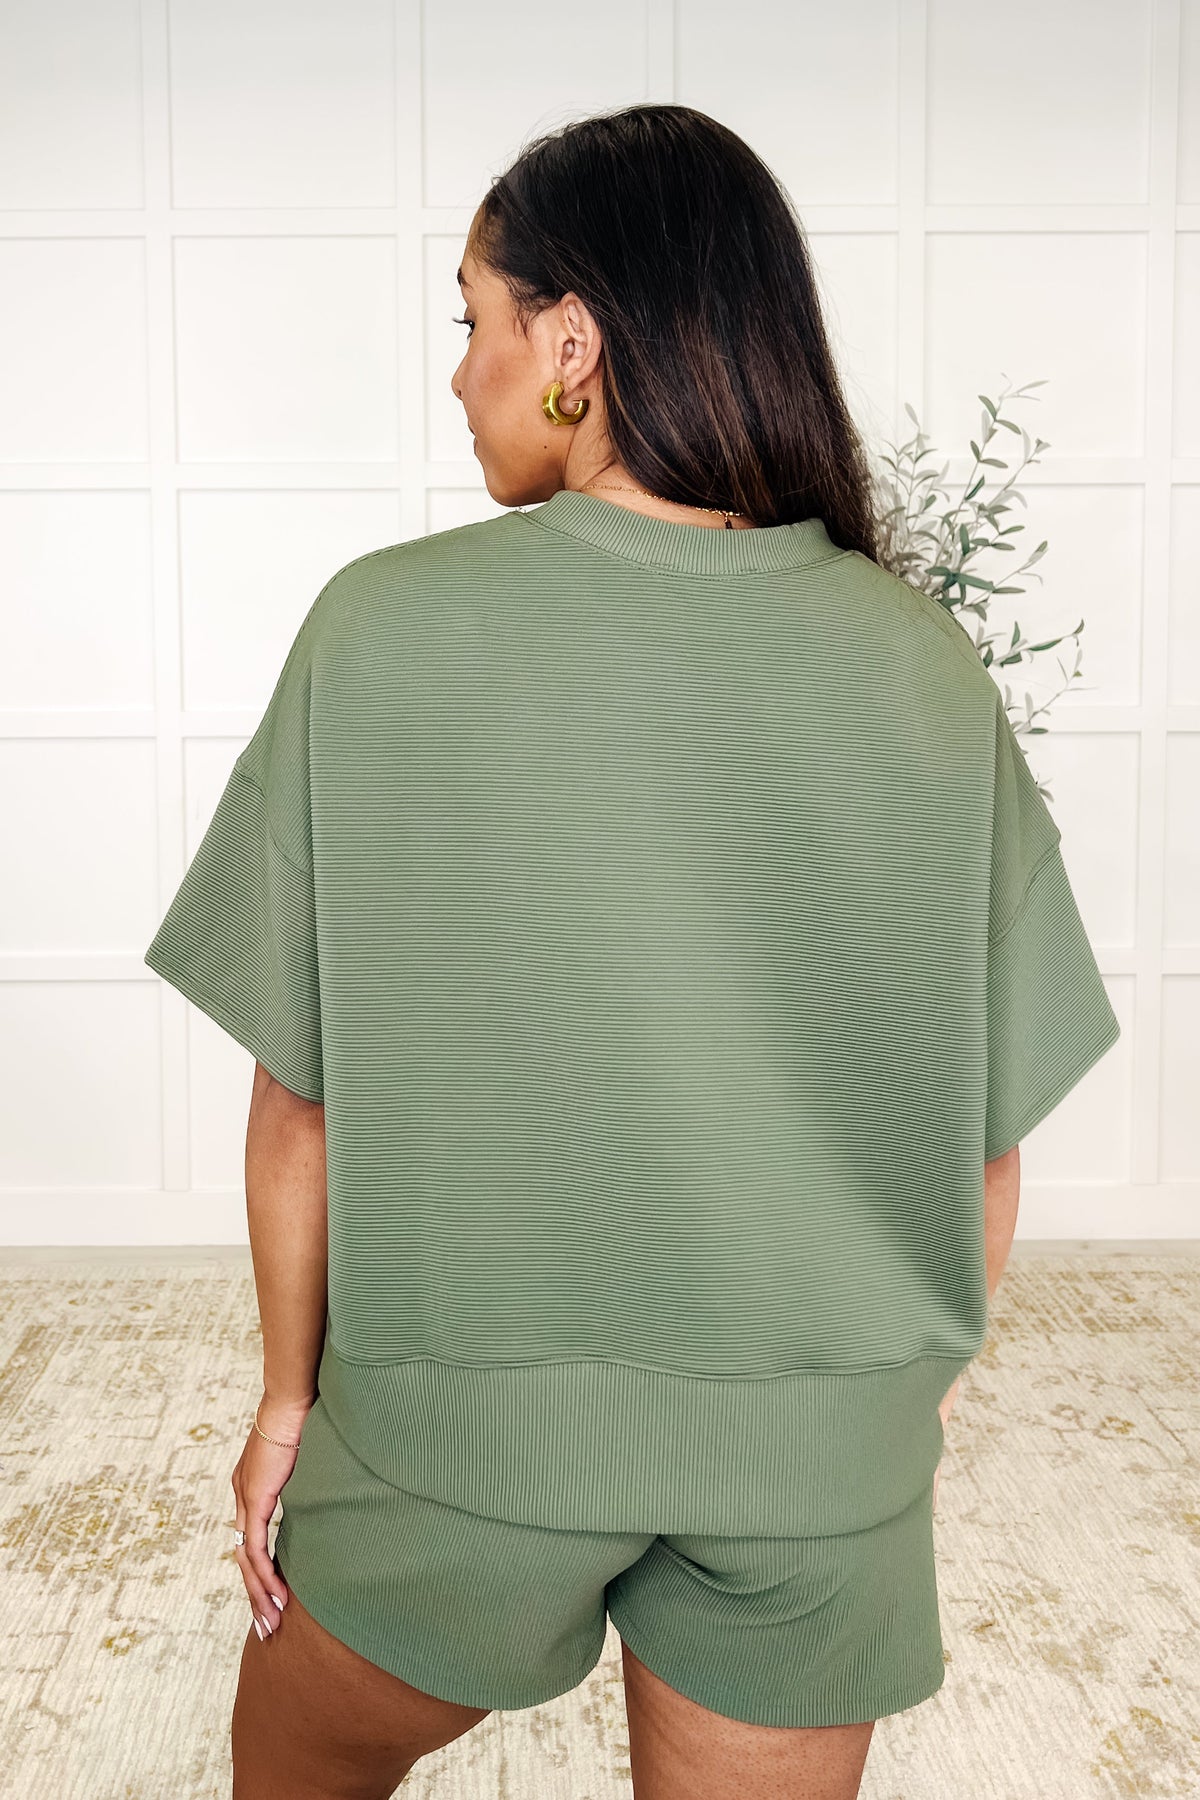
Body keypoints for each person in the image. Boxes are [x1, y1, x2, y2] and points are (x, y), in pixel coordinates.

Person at [143, 102, 1120, 1800]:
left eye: (474, 318)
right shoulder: (920, 666)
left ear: (571, 344)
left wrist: (288, 1406)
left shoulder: (383, 626)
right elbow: (985, 1138)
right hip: (815, 1472)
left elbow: (300, 1105)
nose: (459, 372)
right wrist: (897, 1409)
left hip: (459, 1450)